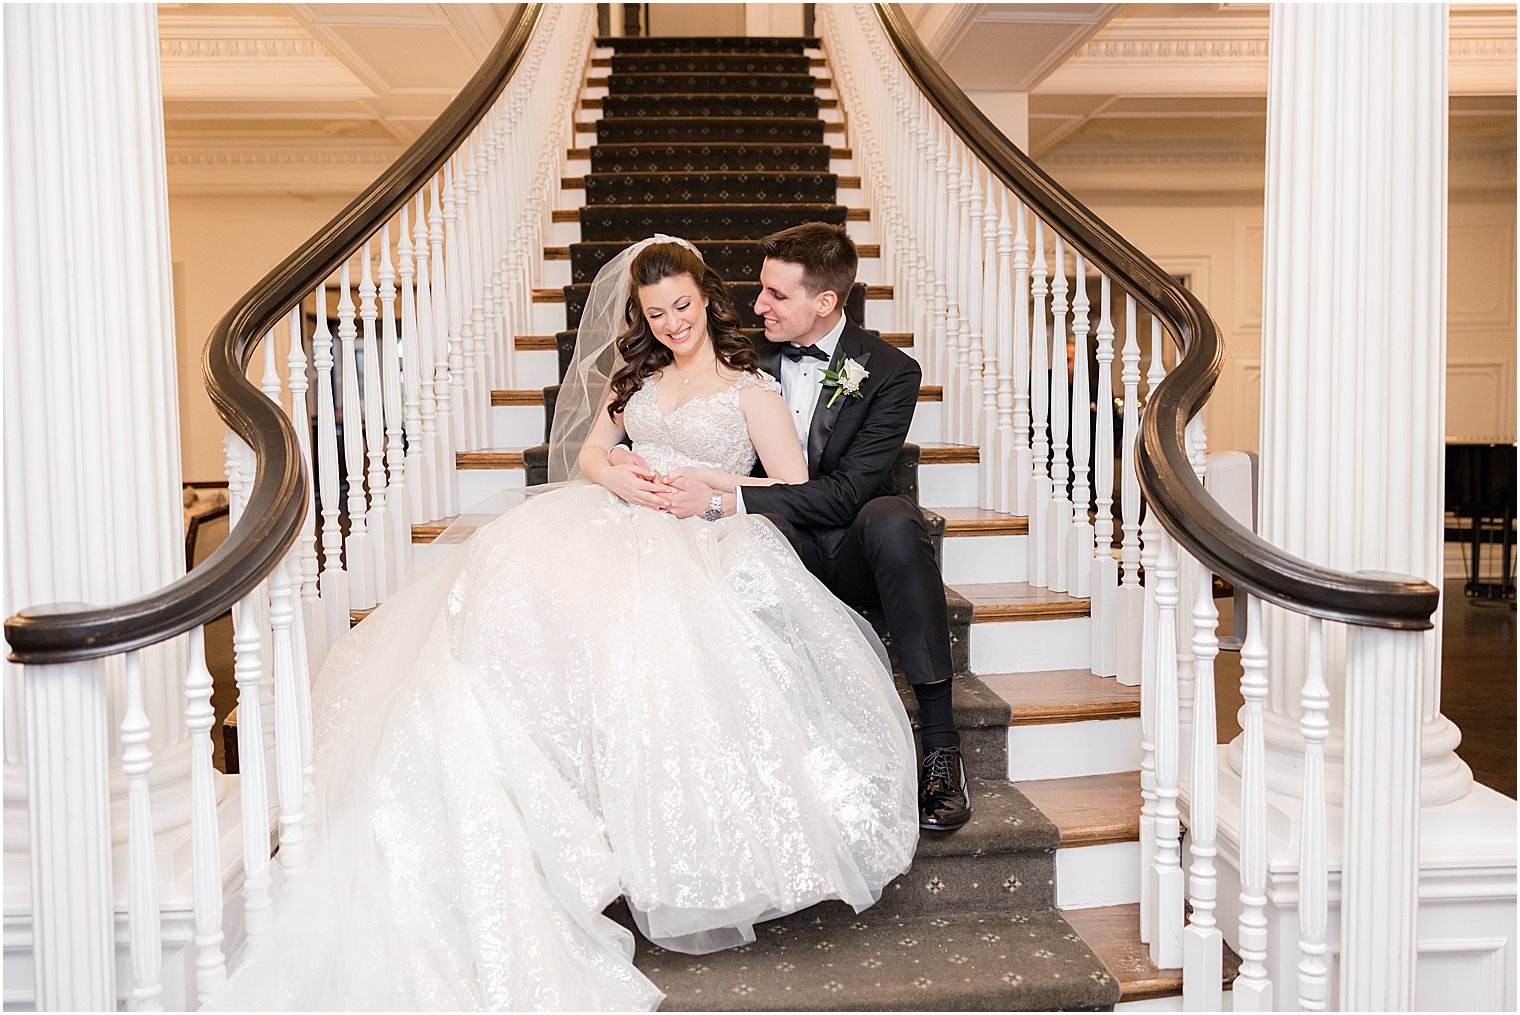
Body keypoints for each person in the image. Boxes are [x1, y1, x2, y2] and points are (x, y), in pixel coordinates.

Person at [207, 238, 918, 1011]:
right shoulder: (636, 381)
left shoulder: (753, 392)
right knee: (506, 583)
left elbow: (790, 485)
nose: (674, 322)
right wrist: (611, 471)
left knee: (650, 639)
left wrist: (711, 485)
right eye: (657, 312)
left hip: (704, 536)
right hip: (614, 520)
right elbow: (589, 448)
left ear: (708, 300)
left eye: (683, 306)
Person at [628, 223, 971, 831]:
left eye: (776, 296)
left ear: (826, 303)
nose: (758, 305)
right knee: (757, 542)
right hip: (764, 542)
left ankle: (941, 745)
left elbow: (845, 494)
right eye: (761, 290)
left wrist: (720, 500)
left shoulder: (890, 372)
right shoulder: (739, 355)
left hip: (844, 547)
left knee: (894, 517)